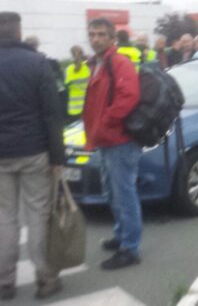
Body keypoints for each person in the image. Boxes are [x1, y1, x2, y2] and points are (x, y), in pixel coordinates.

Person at [0, 12, 64, 300]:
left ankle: (5, 281)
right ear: (18, 32)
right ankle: (46, 278)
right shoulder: (37, 63)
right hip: (34, 152)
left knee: (5, 219)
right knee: (38, 216)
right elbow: (52, 114)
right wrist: (57, 156)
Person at [82, 18, 142, 270]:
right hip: (105, 140)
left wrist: (105, 122)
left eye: (100, 34)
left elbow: (129, 97)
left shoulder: (118, 63)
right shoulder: (98, 63)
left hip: (119, 140)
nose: (95, 38)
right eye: (92, 34)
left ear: (111, 38)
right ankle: (121, 236)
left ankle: (130, 248)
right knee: (112, 193)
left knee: (124, 194)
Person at [25, 35, 69, 119]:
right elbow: (61, 90)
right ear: (37, 45)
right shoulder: (49, 63)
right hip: (51, 109)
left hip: (34, 113)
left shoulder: (25, 65)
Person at [64, 45, 90, 123]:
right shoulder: (89, 67)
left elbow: (67, 89)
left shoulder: (68, 69)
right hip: (88, 107)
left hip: (73, 109)